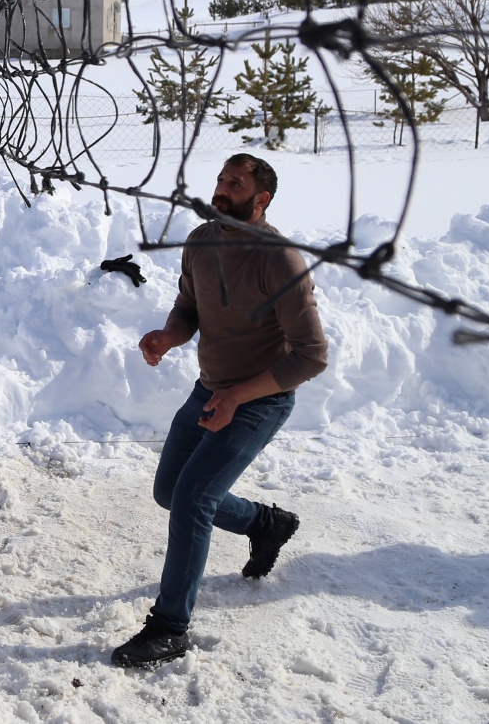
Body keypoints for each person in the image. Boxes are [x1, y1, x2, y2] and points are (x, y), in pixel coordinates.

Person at [111, 153, 328, 669]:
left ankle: (170, 627)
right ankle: (264, 524)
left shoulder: (280, 260)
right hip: (209, 390)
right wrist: (169, 335)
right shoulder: (202, 242)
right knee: (171, 491)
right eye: (221, 179)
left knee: (192, 497)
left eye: (236, 182)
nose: (223, 188)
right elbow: (189, 307)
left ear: (262, 199)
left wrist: (237, 396)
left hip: (260, 401)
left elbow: (311, 355)